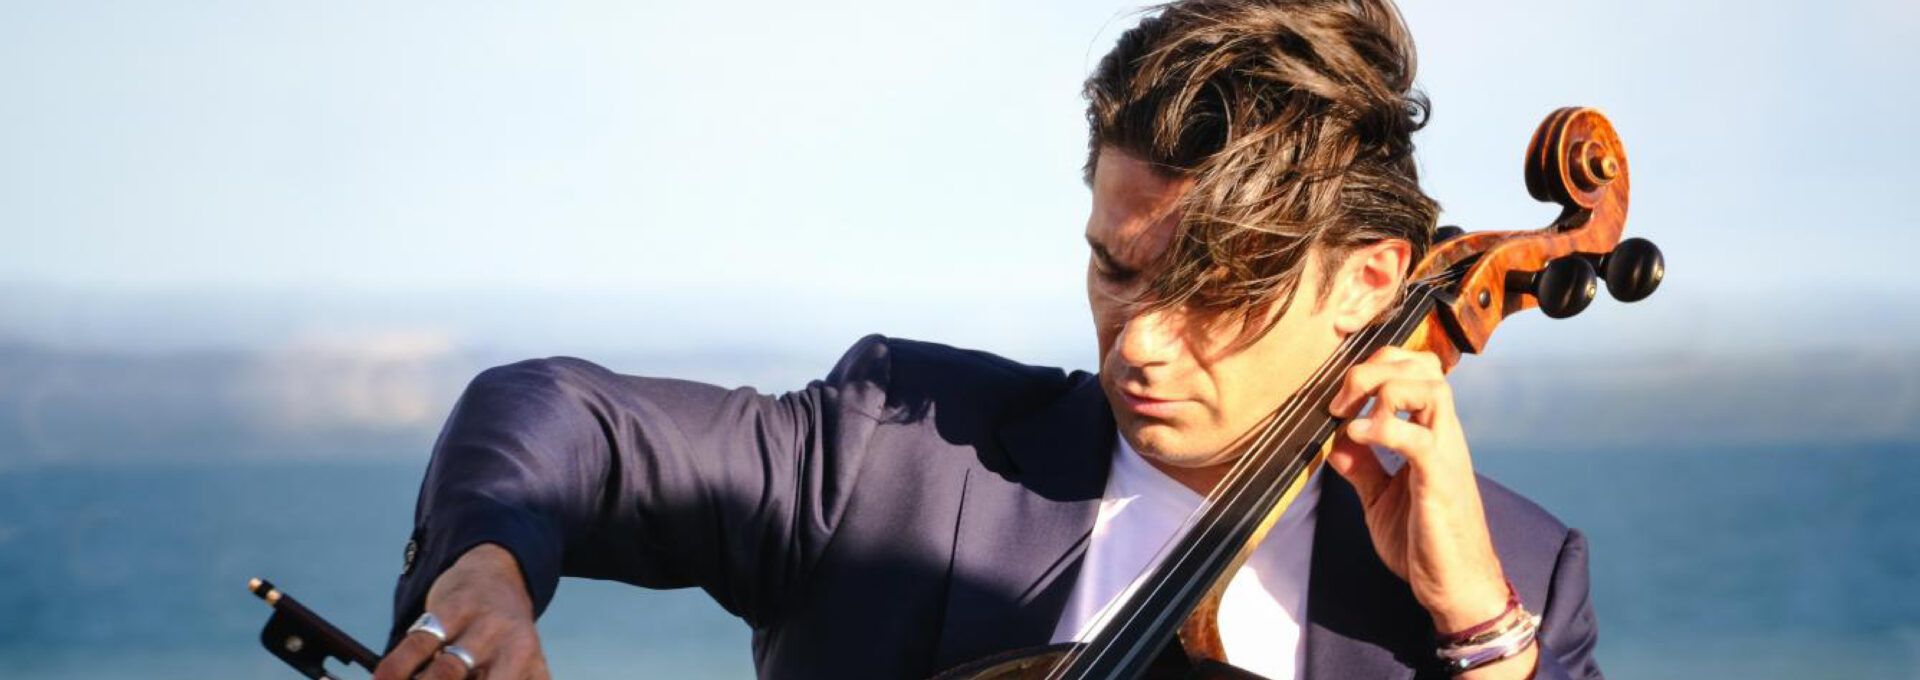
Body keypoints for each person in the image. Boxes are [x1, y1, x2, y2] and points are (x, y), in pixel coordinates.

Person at [372, 1, 1602, 678]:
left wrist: (1480, 634)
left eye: (1211, 293)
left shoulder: (1517, 583)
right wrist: (479, 574)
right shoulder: (902, 453)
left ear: (1368, 281)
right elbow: (557, 417)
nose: (1142, 343)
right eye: (1115, 269)